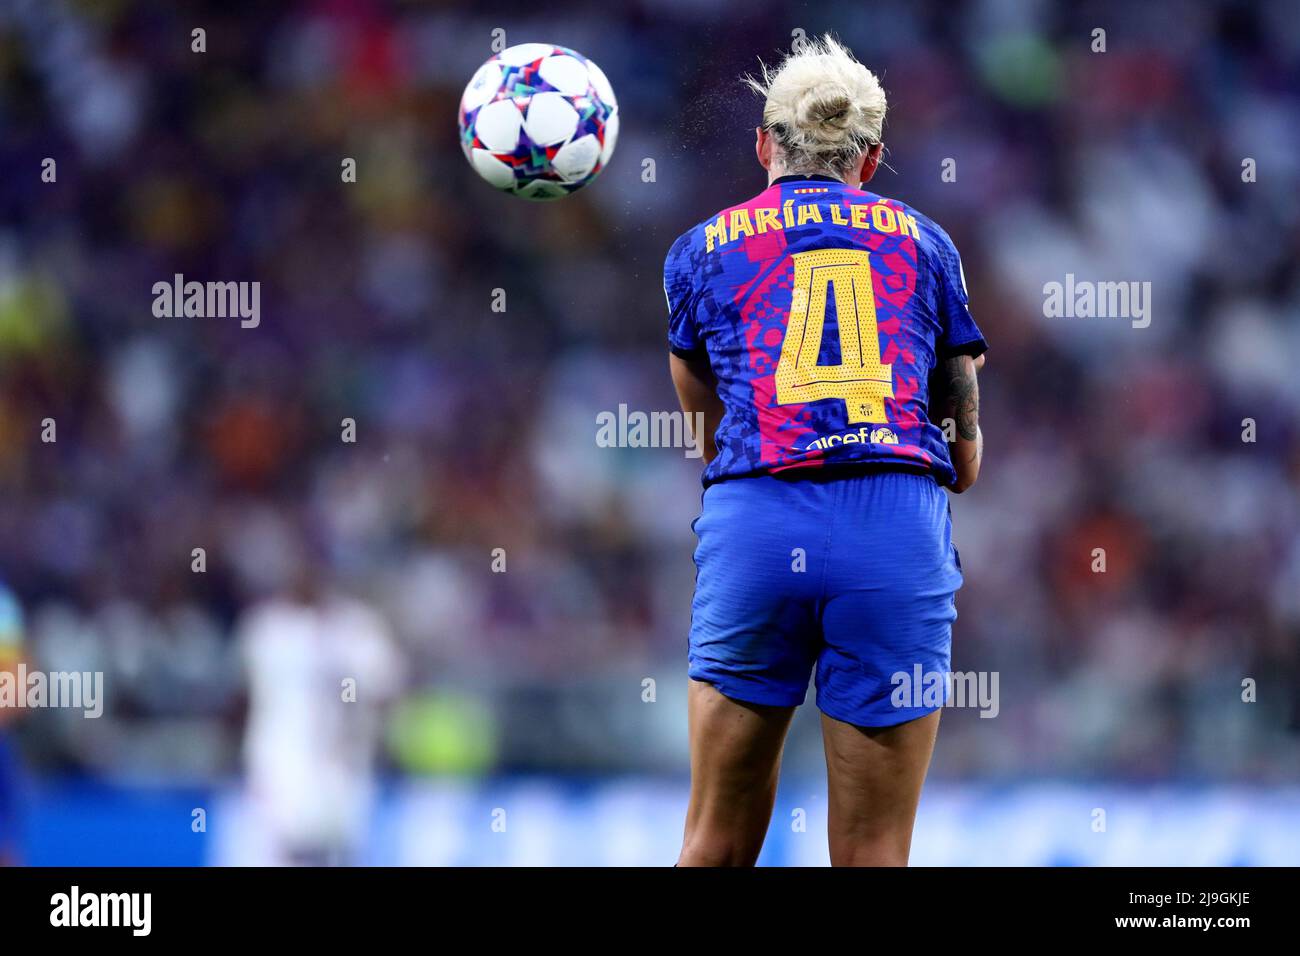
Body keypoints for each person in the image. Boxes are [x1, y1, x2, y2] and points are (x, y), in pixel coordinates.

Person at [665, 35, 985, 866]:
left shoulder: (700, 249)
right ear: (871, 158)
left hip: (759, 518)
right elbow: (967, 448)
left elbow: (707, 429)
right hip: (893, 528)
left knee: (712, 841)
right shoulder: (925, 243)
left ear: (765, 143)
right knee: (875, 851)